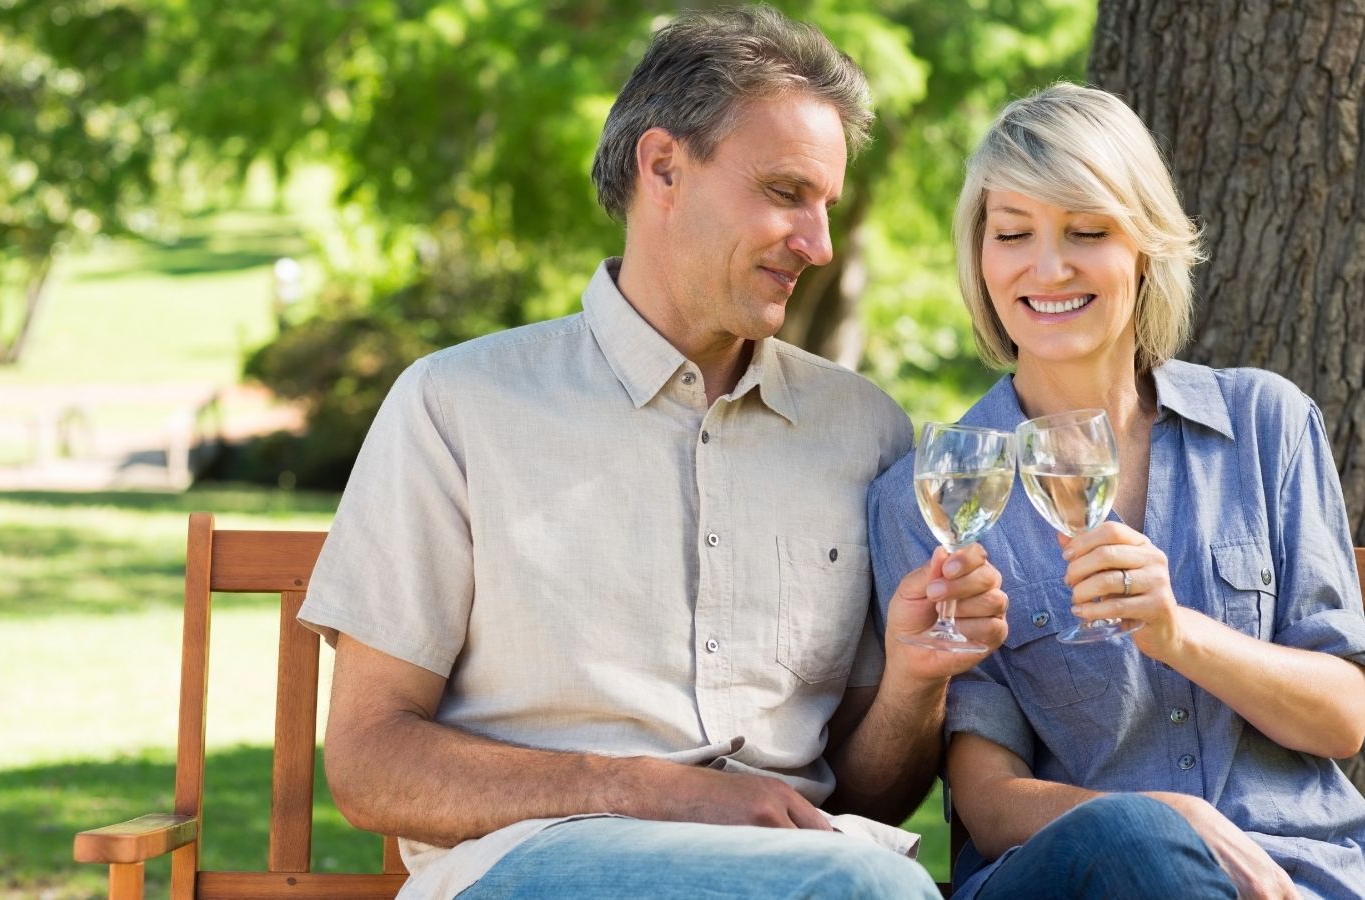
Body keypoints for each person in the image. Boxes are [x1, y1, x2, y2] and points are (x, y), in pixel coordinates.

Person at [298, 7, 1009, 900]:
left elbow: (869, 793)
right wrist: (639, 790)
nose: (819, 244)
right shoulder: (459, 405)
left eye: (825, 204)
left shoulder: (862, 430)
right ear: (665, 166)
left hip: (805, 874)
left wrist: (913, 681)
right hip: (533, 863)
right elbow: (369, 762)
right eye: (787, 192)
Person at [867, 83, 1365, 900]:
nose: (1048, 268)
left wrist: (1176, 631)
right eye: (1014, 233)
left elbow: (1341, 717)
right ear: (981, 256)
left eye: (1087, 231)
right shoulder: (934, 496)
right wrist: (1169, 818)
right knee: (1138, 844)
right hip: (1081, 875)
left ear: (1145, 247)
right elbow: (985, 800)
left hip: (1308, 877)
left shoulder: (1266, 424)